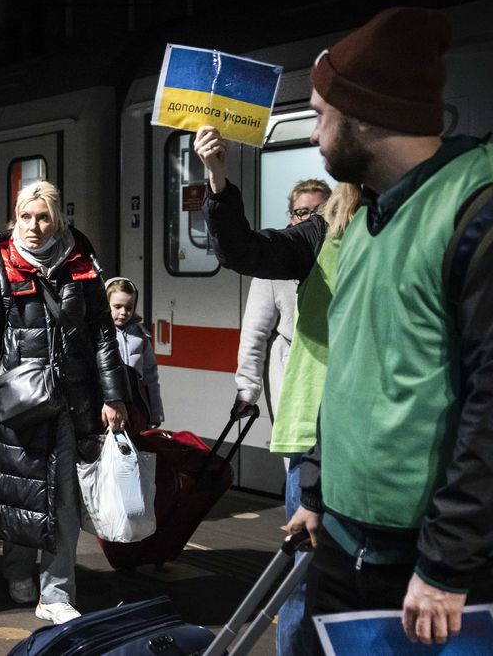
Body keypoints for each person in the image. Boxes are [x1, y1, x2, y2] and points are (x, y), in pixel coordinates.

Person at [283, 7, 493, 647]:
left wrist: (446, 565)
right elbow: (355, 372)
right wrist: (320, 494)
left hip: (432, 570)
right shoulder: (370, 220)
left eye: (321, 115)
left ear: (367, 116)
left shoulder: (492, 217)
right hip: (349, 546)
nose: (313, 136)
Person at [194, 118, 359, 652]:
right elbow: (247, 266)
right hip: (311, 427)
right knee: (303, 571)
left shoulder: (394, 231)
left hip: (370, 436)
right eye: (302, 212)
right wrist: (217, 178)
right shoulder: (316, 239)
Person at [0, 181, 129, 625]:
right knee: (21, 490)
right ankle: (18, 568)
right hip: (20, 402)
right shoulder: (1, 268)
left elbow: (102, 336)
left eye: (43, 218)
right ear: (13, 220)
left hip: (73, 400)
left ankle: (55, 592)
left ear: (59, 221)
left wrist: (113, 396)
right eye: (26, 217)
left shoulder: (83, 265)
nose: (34, 227)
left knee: (64, 500)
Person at [232, 180, 330, 425]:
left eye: (319, 211)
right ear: (292, 216)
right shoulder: (278, 260)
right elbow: (255, 333)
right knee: (298, 451)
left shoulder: (342, 253)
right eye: (302, 212)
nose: (311, 219)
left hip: (335, 371)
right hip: (291, 370)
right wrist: (247, 389)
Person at [104, 277, 163, 429]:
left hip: (136, 407)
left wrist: (155, 413)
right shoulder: (98, 335)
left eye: (129, 307)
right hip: (108, 410)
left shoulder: (140, 336)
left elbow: (151, 377)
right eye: (117, 306)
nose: (124, 312)